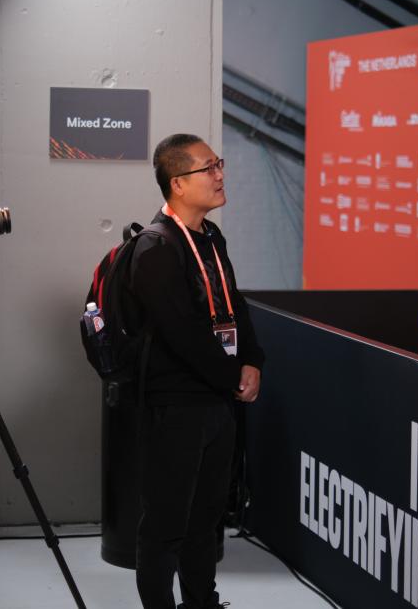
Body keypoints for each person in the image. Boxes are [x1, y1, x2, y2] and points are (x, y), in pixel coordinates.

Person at [129, 133, 264, 609]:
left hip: (216, 401)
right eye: (209, 168)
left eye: (218, 164)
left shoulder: (211, 237)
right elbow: (182, 335)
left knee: (206, 521)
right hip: (175, 406)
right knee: (166, 525)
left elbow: (234, 305)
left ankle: (201, 602)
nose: (220, 174)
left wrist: (252, 360)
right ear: (178, 184)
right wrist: (231, 377)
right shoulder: (155, 248)